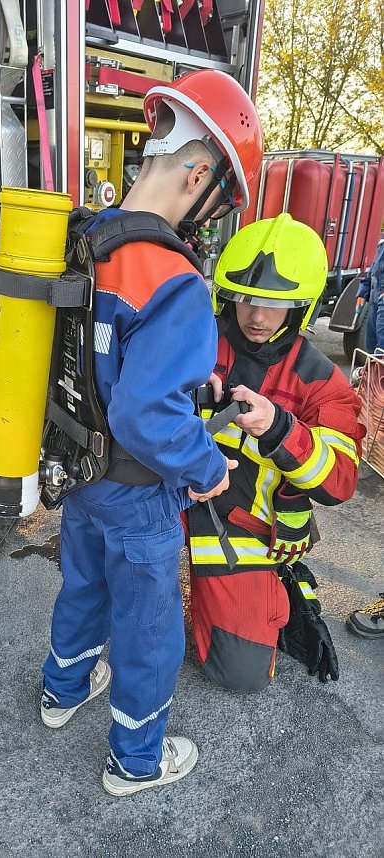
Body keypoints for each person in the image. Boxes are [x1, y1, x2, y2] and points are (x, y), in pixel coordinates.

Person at [39, 69, 264, 797]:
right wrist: (203, 466)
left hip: (79, 473)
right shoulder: (173, 277)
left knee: (81, 587)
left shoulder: (85, 241)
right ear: (199, 171)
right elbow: (145, 413)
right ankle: (135, 761)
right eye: (218, 196)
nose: (211, 216)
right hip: (139, 494)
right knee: (148, 631)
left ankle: (62, 690)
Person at [186, 213, 365, 693]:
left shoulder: (321, 379)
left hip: (243, 519)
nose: (256, 316)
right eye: (246, 299)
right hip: (173, 492)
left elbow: (340, 480)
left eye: (274, 303)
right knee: (129, 604)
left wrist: (280, 428)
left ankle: (276, 585)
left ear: (300, 307)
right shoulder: (199, 338)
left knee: (241, 676)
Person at [356, 238, 384, 354]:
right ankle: (374, 370)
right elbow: (372, 273)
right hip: (375, 300)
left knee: (382, 346)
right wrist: (362, 293)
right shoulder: (381, 246)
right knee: (371, 345)